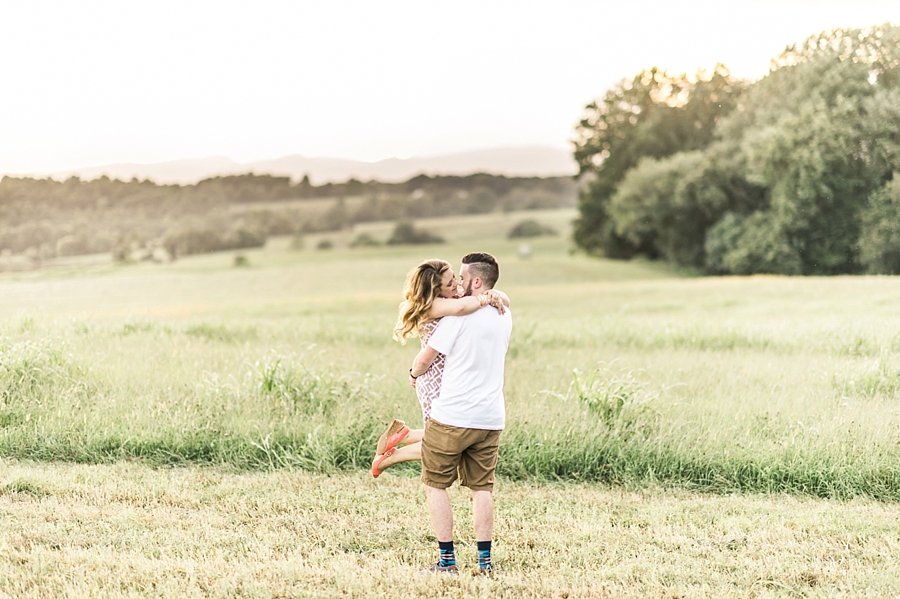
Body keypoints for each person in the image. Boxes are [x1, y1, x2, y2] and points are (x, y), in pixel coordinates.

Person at [410, 252, 512, 575]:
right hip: (491, 417)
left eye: (463, 278)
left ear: (477, 282)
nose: (458, 285)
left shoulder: (456, 319)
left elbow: (425, 360)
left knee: (434, 484)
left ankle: (447, 562)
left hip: (453, 416)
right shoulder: (504, 312)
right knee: (482, 489)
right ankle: (485, 563)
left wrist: (413, 374)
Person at [372, 258, 509, 477]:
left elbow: (503, 300)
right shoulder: (435, 305)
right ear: (436, 290)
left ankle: (403, 436)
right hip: (432, 377)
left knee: (443, 433)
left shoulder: (450, 299)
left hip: (446, 375)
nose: (457, 285)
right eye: (450, 283)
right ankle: (391, 457)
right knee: (439, 442)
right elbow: (464, 306)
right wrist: (486, 297)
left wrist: (496, 294)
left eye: (455, 278)